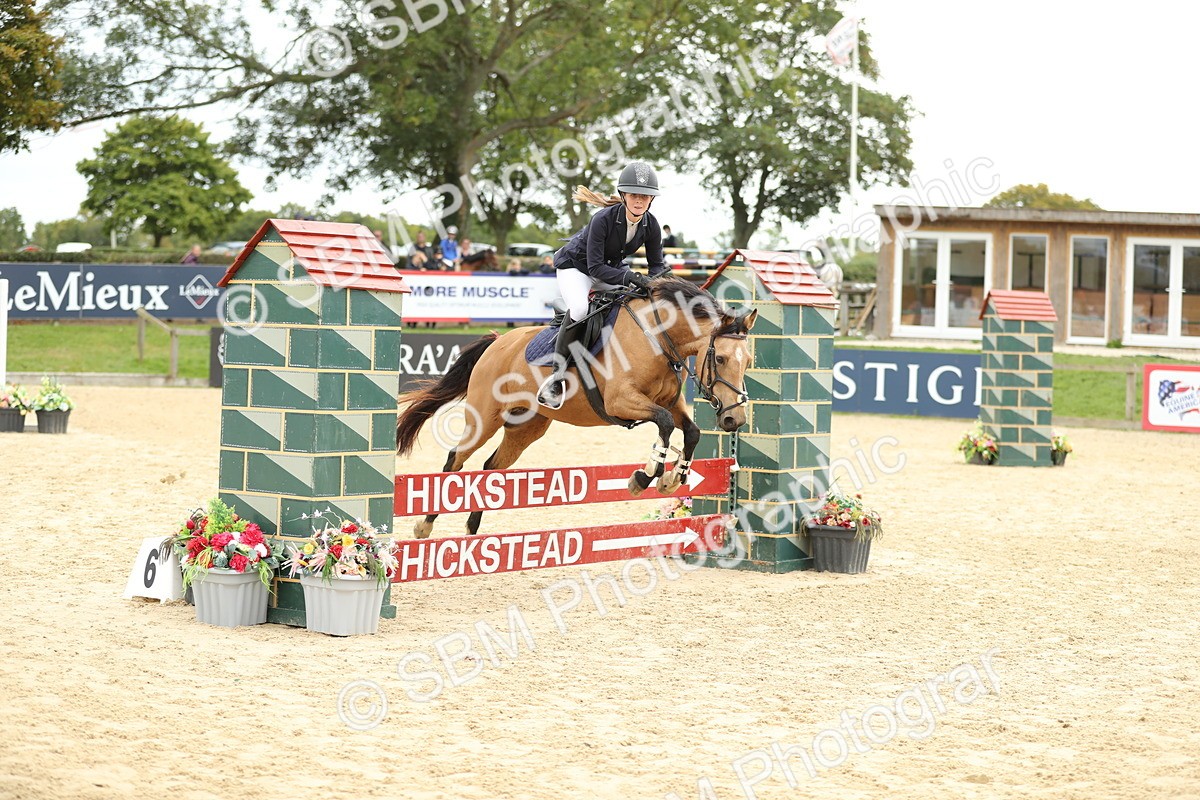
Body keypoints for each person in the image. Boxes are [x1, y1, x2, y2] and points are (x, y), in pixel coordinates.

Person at [536, 161, 670, 409]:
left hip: (609, 270)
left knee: (636, 302)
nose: (639, 201)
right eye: (633, 195)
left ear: (651, 199)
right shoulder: (603, 219)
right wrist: (629, 277)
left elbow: (657, 266)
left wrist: (659, 284)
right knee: (579, 310)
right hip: (576, 267)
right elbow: (595, 268)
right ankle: (556, 377)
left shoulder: (651, 225)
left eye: (645, 196)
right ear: (623, 196)